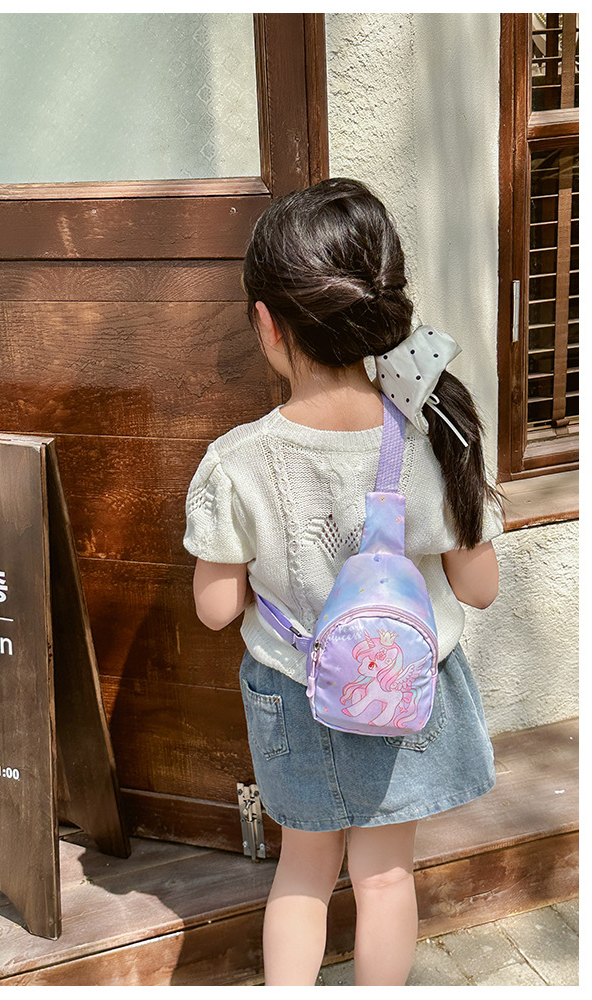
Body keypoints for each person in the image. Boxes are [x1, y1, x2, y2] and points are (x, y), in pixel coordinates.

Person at [183, 178, 503, 987]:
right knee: (386, 878)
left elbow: (216, 609)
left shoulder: (236, 460)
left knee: (302, 871)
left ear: (267, 323)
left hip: (294, 692)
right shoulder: (437, 438)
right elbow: (479, 589)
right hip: (407, 694)